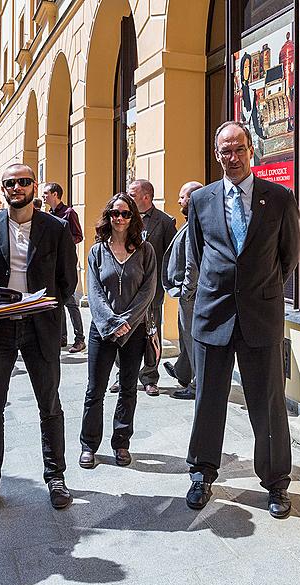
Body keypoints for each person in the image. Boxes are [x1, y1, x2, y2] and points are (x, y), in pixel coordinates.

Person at [185, 121, 300, 518]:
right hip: (212, 315)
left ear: (252, 150)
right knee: (208, 399)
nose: (231, 158)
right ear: (216, 155)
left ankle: (276, 483)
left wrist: (259, 289)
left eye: (238, 150)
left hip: (260, 316)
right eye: (224, 152)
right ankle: (201, 473)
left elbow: (288, 257)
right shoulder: (200, 201)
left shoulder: (280, 198)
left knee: (267, 404)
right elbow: (199, 255)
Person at [0, 163, 77, 515]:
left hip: (39, 327)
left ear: (34, 185)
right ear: (2, 188)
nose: (17, 188)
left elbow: (67, 280)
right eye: (10, 183)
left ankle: (56, 477)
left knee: (49, 405)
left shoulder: (55, 228)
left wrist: (46, 306)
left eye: (24, 182)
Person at [78, 193, 156, 470]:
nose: (119, 219)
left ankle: (121, 443)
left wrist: (128, 321)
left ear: (133, 217)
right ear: (108, 217)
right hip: (102, 331)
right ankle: (89, 445)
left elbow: (148, 291)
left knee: (127, 389)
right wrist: (111, 322)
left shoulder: (145, 251)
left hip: (133, 332)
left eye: (125, 213)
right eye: (115, 213)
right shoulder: (97, 251)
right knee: (94, 390)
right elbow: (94, 292)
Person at [110, 178, 175, 396]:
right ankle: (122, 375)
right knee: (122, 329)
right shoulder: (124, 219)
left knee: (151, 332)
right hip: (124, 289)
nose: (128, 198)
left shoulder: (165, 222)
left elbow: (170, 257)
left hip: (152, 290)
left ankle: (150, 377)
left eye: (133, 194)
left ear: (145, 196)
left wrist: (165, 283)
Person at [161, 180, 203, 400]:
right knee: (185, 337)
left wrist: (187, 290)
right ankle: (183, 372)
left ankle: (196, 385)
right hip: (186, 293)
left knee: (192, 339)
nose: (179, 200)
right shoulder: (191, 221)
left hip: (191, 295)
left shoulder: (197, 223)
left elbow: (192, 263)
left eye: (183, 197)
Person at [42, 181, 86, 353]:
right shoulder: (48, 214)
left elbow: (78, 236)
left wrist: (63, 242)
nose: (43, 196)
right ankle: (61, 338)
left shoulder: (69, 213)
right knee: (57, 300)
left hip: (66, 262)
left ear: (55, 194)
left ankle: (79, 339)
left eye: (46, 193)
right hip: (52, 262)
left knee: (70, 301)